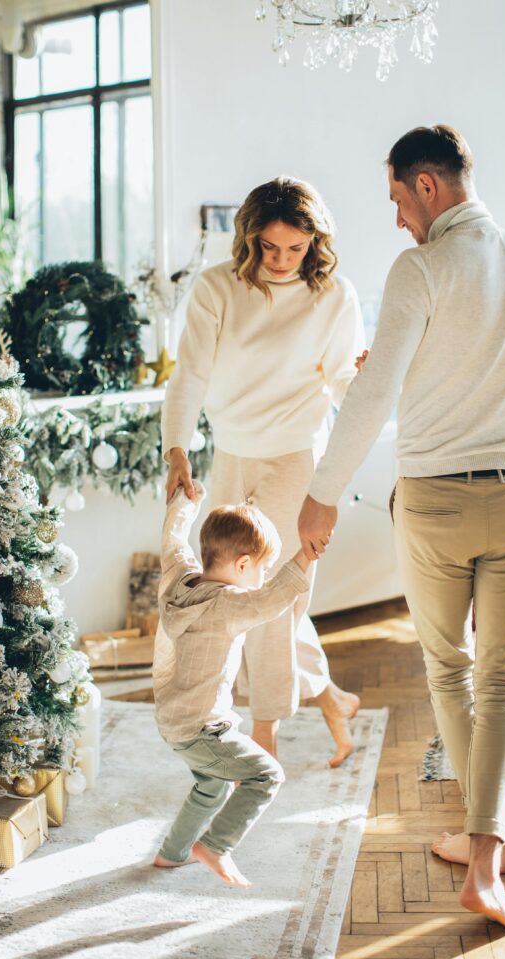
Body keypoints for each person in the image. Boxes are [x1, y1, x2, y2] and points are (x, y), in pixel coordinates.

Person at [298, 125, 505, 930]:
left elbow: (374, 398)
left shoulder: (419, 267)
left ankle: (484, 854)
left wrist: (321, 495)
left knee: (449, 670)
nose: (396, 221)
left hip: (437, 503)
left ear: (427, 187)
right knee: (504, 681)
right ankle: (489, 852)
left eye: (397, 201)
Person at [162, 177, 365, 768]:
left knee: (271, 599)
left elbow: (344, 383)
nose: (280, 261)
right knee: (229, 588)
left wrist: (370, 382)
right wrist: (178, 449)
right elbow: (190, 375)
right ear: (249, 239)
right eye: (269, 247)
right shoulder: (216, 288)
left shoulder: (334, 296)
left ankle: (265, 730)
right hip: (231, 452)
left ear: (314, 243)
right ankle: (331, 699)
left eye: (294, 249)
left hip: (295, 458)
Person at [152, 481, 310, 887]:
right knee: (266, 775)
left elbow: (172, 540)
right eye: (262, 569)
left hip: (173, 721)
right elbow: (269, 601)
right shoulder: (227, 605)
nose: (264, 578)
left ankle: (173, 853)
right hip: (201, 727)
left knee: (211, 785)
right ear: (242, 566)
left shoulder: (180, 581)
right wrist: (304, 558)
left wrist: (187, 502)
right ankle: (216, 846)